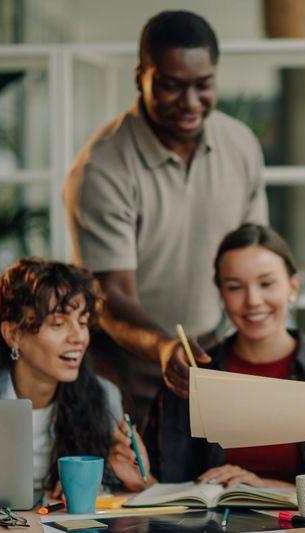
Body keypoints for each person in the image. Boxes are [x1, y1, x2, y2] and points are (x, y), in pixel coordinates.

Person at [63, 10, 268, 429]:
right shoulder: (102, 167)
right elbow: (111, 294)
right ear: (141, 76)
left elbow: (254, 257)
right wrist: (164, 347)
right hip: (130, 360)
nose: (191, 103)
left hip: (214, 351)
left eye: (203, 85)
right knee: (138, 486)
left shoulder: (241, 144)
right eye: (172, 86)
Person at [0, 258, 152, 496]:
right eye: (58, 324)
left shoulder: (103, 396)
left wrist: (136, 482)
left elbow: (143, 494)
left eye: (82, 322)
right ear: (13, 335)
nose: (78, 337)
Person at [147, 223, 305, 487]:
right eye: (235, 287)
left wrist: (260, 485)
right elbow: (164, 482)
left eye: (266, 283)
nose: (253, 300)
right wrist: (138, 478)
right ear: (221, 293)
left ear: (293, 286)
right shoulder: (187, 379)